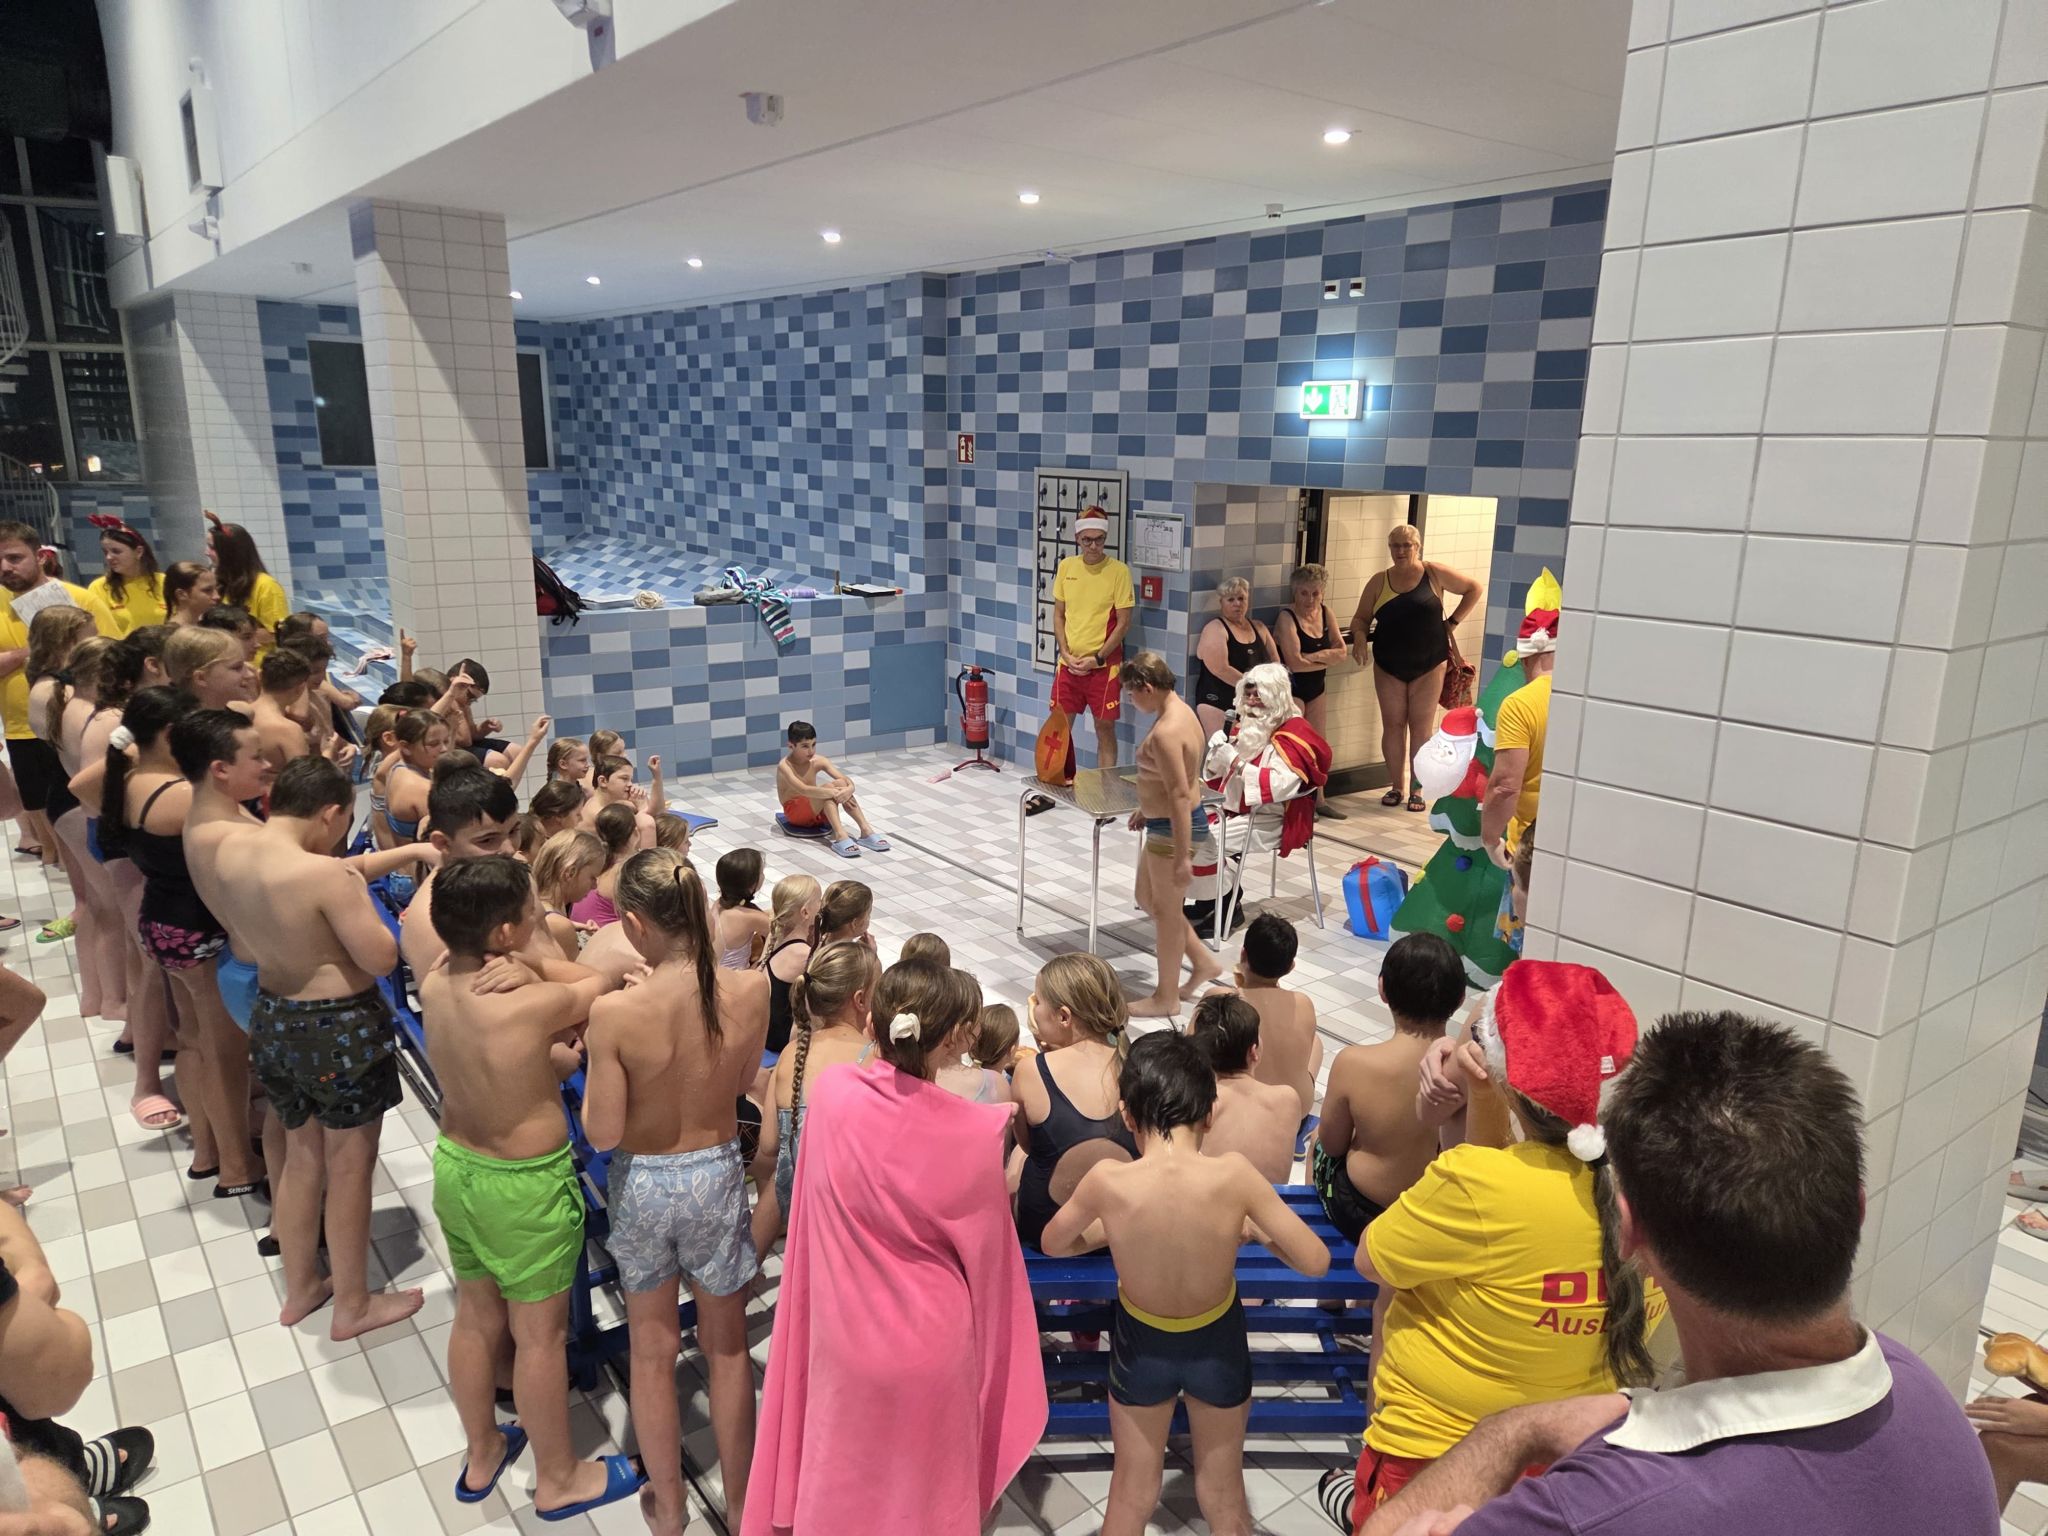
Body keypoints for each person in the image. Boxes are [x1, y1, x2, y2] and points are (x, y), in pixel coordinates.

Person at [1356, 1013, 2000, 1536]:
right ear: (1856, 1209)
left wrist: (1512, 1431)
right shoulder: (1933, 1410)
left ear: (1630, 1233)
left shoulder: (1589, 1512)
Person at [1329, 960, 1666, 1526]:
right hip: (1570, 1462)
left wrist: (1476, 1097)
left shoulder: (1480, 1185)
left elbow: (1372, 1259)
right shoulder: (1662, 1187)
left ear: (1499, 1067)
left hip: (1438, 1460)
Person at [744, 955, 1047, 1536]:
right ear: (954, 1040)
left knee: (845, 1493)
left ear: (872, 1022)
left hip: (842, 1339)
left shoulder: (833, 1094)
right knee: (925, 1505)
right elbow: (990, 1269)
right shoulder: (973, 1133)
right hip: (932, 1347)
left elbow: (807, 1206)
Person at [419, 856, 640, 1519]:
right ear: (508, 932)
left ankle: (482, 1450)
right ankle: (559, 1478)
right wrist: (538, 966)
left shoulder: (435, 981)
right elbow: (603, 981)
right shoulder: (528, 1003)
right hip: (524, 1187)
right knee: (539, 1339)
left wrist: (523, 962)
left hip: (456, 1166)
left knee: (475, 1316)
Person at [1044, 1031, 1330, 1536]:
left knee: (1132, 1494)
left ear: (1127, 1115)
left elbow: (1053, 1243)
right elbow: (1315, 1261)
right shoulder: (1234, 1176)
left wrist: (1111, 1228)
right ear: (1209, 1113)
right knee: (1222, 1494)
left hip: (1141, 1345)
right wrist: (1251, 1230)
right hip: (1216, 1344)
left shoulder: (1109, 1180)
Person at [584, 849, 771, 1536]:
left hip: (645, 1183)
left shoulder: (614, 1013)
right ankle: (744, 1507)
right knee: (727, 1349)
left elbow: (603, 1132)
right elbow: (743, 1080)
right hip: (715, 1175)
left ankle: (668, 1508)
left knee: (651, 1351)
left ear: (635, 925)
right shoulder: (751, 990)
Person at [207, 756, 427, 1338]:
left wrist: (407, 853)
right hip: (338, 1029)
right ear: (330, 813)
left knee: (301, 1156)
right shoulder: (325, 877)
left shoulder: (231, 852)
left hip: (273, 1015)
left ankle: (301, 1287)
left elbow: (322, 875)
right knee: (350, 1168)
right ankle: (353, 1305)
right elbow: (380, 957)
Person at [100, 690, 266, 1194]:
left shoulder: (127, 778)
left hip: (161, 924)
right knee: (223, 1053)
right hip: (201, 933)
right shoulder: (182, 796)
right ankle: (237, 1167)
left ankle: (207, 1151)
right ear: (172, 735)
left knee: (193, 1041)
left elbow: (80, 782)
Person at [1313, 932, 1465, 1243]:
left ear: (1382, 989)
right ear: (1461, 999)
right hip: (1434, 1220)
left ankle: (1320, 1246)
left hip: (1363, 1211)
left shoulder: (1353, 1063)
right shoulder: (1467, 1071)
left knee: (1317, 1137)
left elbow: (1333, 1146)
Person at [0, 521, 117, 877]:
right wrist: (27, 653)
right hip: (22, 729)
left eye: (14, 558)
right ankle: (80, 889)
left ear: (39, 556)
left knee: (87, 811)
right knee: (48, 812)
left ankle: (95, 886)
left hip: (80, 726)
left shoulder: (81, 600)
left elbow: (113, 655)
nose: (5, 567)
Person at [754, 938, 879, 1254]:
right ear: (861, 999)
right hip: (847, 1210)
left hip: (797, 1195)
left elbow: (768, 1145)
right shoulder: (874, 1057)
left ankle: (746, 1269)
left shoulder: (792, 1053)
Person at [1349, 525, 1483, 813]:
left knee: (1421, 728)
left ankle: (1417, 788)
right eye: (1395, 545)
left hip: (1429, 662)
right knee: (1393, 725)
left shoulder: (1433, 573)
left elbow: (1474, 588)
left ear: (1417, 547)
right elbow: (1360, 618)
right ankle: (1396, 786)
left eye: (1406, 545)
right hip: (1388, 663)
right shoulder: (1379, 581)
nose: (1400, 551)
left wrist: (1453, 622)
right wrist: (1359, 638)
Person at [1123, 652, 1222, 1017]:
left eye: (1131, 694)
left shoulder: (1166, 731)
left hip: (1174, 830)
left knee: (1167, 914)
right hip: (1164, 822)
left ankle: (1166, 997)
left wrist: (1182, 857)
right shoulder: (1183, 712)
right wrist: (1145, 808)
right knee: (1147, 897)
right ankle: (1202, 962)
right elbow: (1176, 778)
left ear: (1147, 688)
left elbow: (1180, 793)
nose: (1131, 701)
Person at [1016, 952, 1136, 1248]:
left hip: (1049, 1230)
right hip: (1123, 1225)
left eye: (1037, 1001)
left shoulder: (1031, 1071)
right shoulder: (1137, 1064)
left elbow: (1028, 1145)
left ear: (1063, 1017)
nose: (1033, 1009)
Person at [397, 764, 521, 980]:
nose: (509, 849)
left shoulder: (505, 872)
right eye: (488, 840)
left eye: (514, 831)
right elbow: (459, 1000)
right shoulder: (435, 925)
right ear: (443, 843)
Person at [26, 609, 102, 948]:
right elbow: (76, 757)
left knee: (98, 907)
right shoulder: (54, 690)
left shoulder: (58, 685)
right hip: (73, 801)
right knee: (102, 910)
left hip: (69, 798)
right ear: (65, 641)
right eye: (90, 637)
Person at [1051, 506, 1135, 770]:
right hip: (1069, 664)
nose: (1093, 546)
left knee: (1104, 727)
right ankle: (1056, 781)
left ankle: (1105, 788)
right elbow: (1058, 614)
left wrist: (1098, 657)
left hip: (1104, 667)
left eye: (1099, 540)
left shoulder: (1119, 572)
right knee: (1059, 726)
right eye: (1087, 540)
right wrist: (1064, 652)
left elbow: (1124, 622)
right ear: (1077, 539)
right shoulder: (1066, 567)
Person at [1188, 993, 1298, 1184]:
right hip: (1272, 1199)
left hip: (1211, 1198)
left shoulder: (1200, 1102)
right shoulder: (1288, 1099)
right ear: (1254, 1052)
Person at [1225, 910, 1323, 1122]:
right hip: (1295, 1109)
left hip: (1241, 1106)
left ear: (1243, 955)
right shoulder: (1303, 1003)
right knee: (1315, 1041)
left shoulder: (1222, 999)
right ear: (1290, 967)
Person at [1481, 609, 1558, 873]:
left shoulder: (1520, 705)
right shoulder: (1589, 699)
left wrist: (1491, 840)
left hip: (1530, 847)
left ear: (1524, 658)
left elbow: (1505, 786)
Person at [1273, 564, 1348, 817]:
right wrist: (1327, 657)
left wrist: (1313, 657)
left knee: (1318, 746)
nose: (1310, 599)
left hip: (1317, 687)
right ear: (1295, 592)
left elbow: (1342, 652)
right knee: (1295, 747)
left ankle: (1319, 801)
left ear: (1322, 593)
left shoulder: (1326, 613)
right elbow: (1294, 663)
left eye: (1315, 593)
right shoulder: (1287, 617)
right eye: (1304, 593)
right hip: (1293, 689)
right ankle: (1295, 804)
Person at [776, 721, 889, 859]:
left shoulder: (818, 761)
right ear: (791, 746)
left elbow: (845, 779)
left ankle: (866, 831)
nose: (811, 751)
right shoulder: (785, 766)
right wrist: (834, 792)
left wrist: (849, 789)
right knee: (828, 789)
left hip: (816, 810)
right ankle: (841, 835)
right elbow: (804, 789)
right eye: (805, 746)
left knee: (841, 783)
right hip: (796, 814)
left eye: (813, 744)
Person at [1191, 576, 1278, 740]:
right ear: (1221, 603)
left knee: (1254, 749)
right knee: (1225, 751)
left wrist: (1269, 690)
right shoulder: (1215, 629)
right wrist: (1255, 687)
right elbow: (1221, 669)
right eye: (1231, 599)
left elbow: (1276, 664)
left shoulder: (1259, 628)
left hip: (1252, 701)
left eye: (1241, 598)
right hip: (1218, 700)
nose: (1237, 603)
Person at [758, 873, 822, 1062]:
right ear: (805, 912)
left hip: (764, 1028)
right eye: (819, 901)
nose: (822, 906)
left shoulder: (775, 935)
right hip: (780, 1039)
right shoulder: (802, 954)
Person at [204, 515, 289, 652]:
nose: (206, 553)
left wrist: (227, 634)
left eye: (212, 547)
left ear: (229, 552)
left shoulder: (266, 585)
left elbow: (277, 633)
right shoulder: (217, 582)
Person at [531, 828, 605, 961]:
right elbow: (577, 973)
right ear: (570, 873)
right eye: (592, 877)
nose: (594, 886)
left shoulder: (537, 907)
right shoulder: (558, 925)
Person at [83, 515, 165, 635]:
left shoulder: (165, 582)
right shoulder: (99, 588)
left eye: (116, 551)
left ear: (139, 552)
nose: (109, 557)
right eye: (105, 552)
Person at [567, 802, 637, 928]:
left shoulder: (593, 858)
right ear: (635, 833)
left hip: (579, 928)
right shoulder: (625, 872)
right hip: (597, 932)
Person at [162, 625, 254, 712]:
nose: (250, 675)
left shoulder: (238, 716)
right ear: (201, 678)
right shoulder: (179, 723)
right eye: (237, 668)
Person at [712, 848, 772, 969]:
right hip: (732, 977)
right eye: (762, 873)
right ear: (752, 884)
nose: (764, 876)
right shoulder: (750, 917)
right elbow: (781, 938)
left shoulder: (719, 903)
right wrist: (757, 967)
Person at [817, 879, 872, 947]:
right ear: (855, 923)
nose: (869, 917)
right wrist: (869, 951)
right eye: (868, 914)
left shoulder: (816, 943)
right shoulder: (851, 954)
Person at [162, 561, 219, 626]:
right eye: (207, 590)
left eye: (216, 588)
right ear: (181, 594)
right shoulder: (173, 632)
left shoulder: (209, 626)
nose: (217, 596)